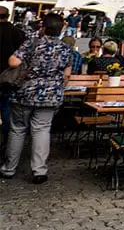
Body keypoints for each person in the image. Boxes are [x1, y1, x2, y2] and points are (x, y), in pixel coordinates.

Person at [0, 13, 73, 183]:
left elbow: (13, 63)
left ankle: (9, 169)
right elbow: (66, 76)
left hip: (26, 93)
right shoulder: (66, 49)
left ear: (43, 27)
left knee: (18, 129)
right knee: (42, 130)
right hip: (51, 95)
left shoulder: (32, 44)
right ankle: (39, 170)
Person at [0, 8, 27, 138]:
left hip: (7, 75)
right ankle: (7, 138)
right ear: (8, 16)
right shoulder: (17, 32)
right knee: (6, 107)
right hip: (10, 76)